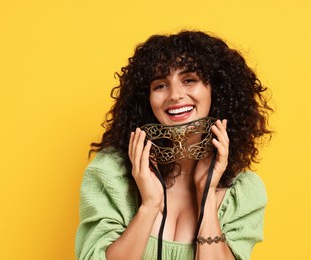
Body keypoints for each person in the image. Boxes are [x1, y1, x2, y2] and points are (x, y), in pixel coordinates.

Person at [75, 30, 272, 260]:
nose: (175, 95)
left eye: (189, 80)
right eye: (160, 85)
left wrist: (206, 197)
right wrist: (149, 205)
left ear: (215, 91)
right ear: (146, 99)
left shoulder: (243, 192)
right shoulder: (111, 173)